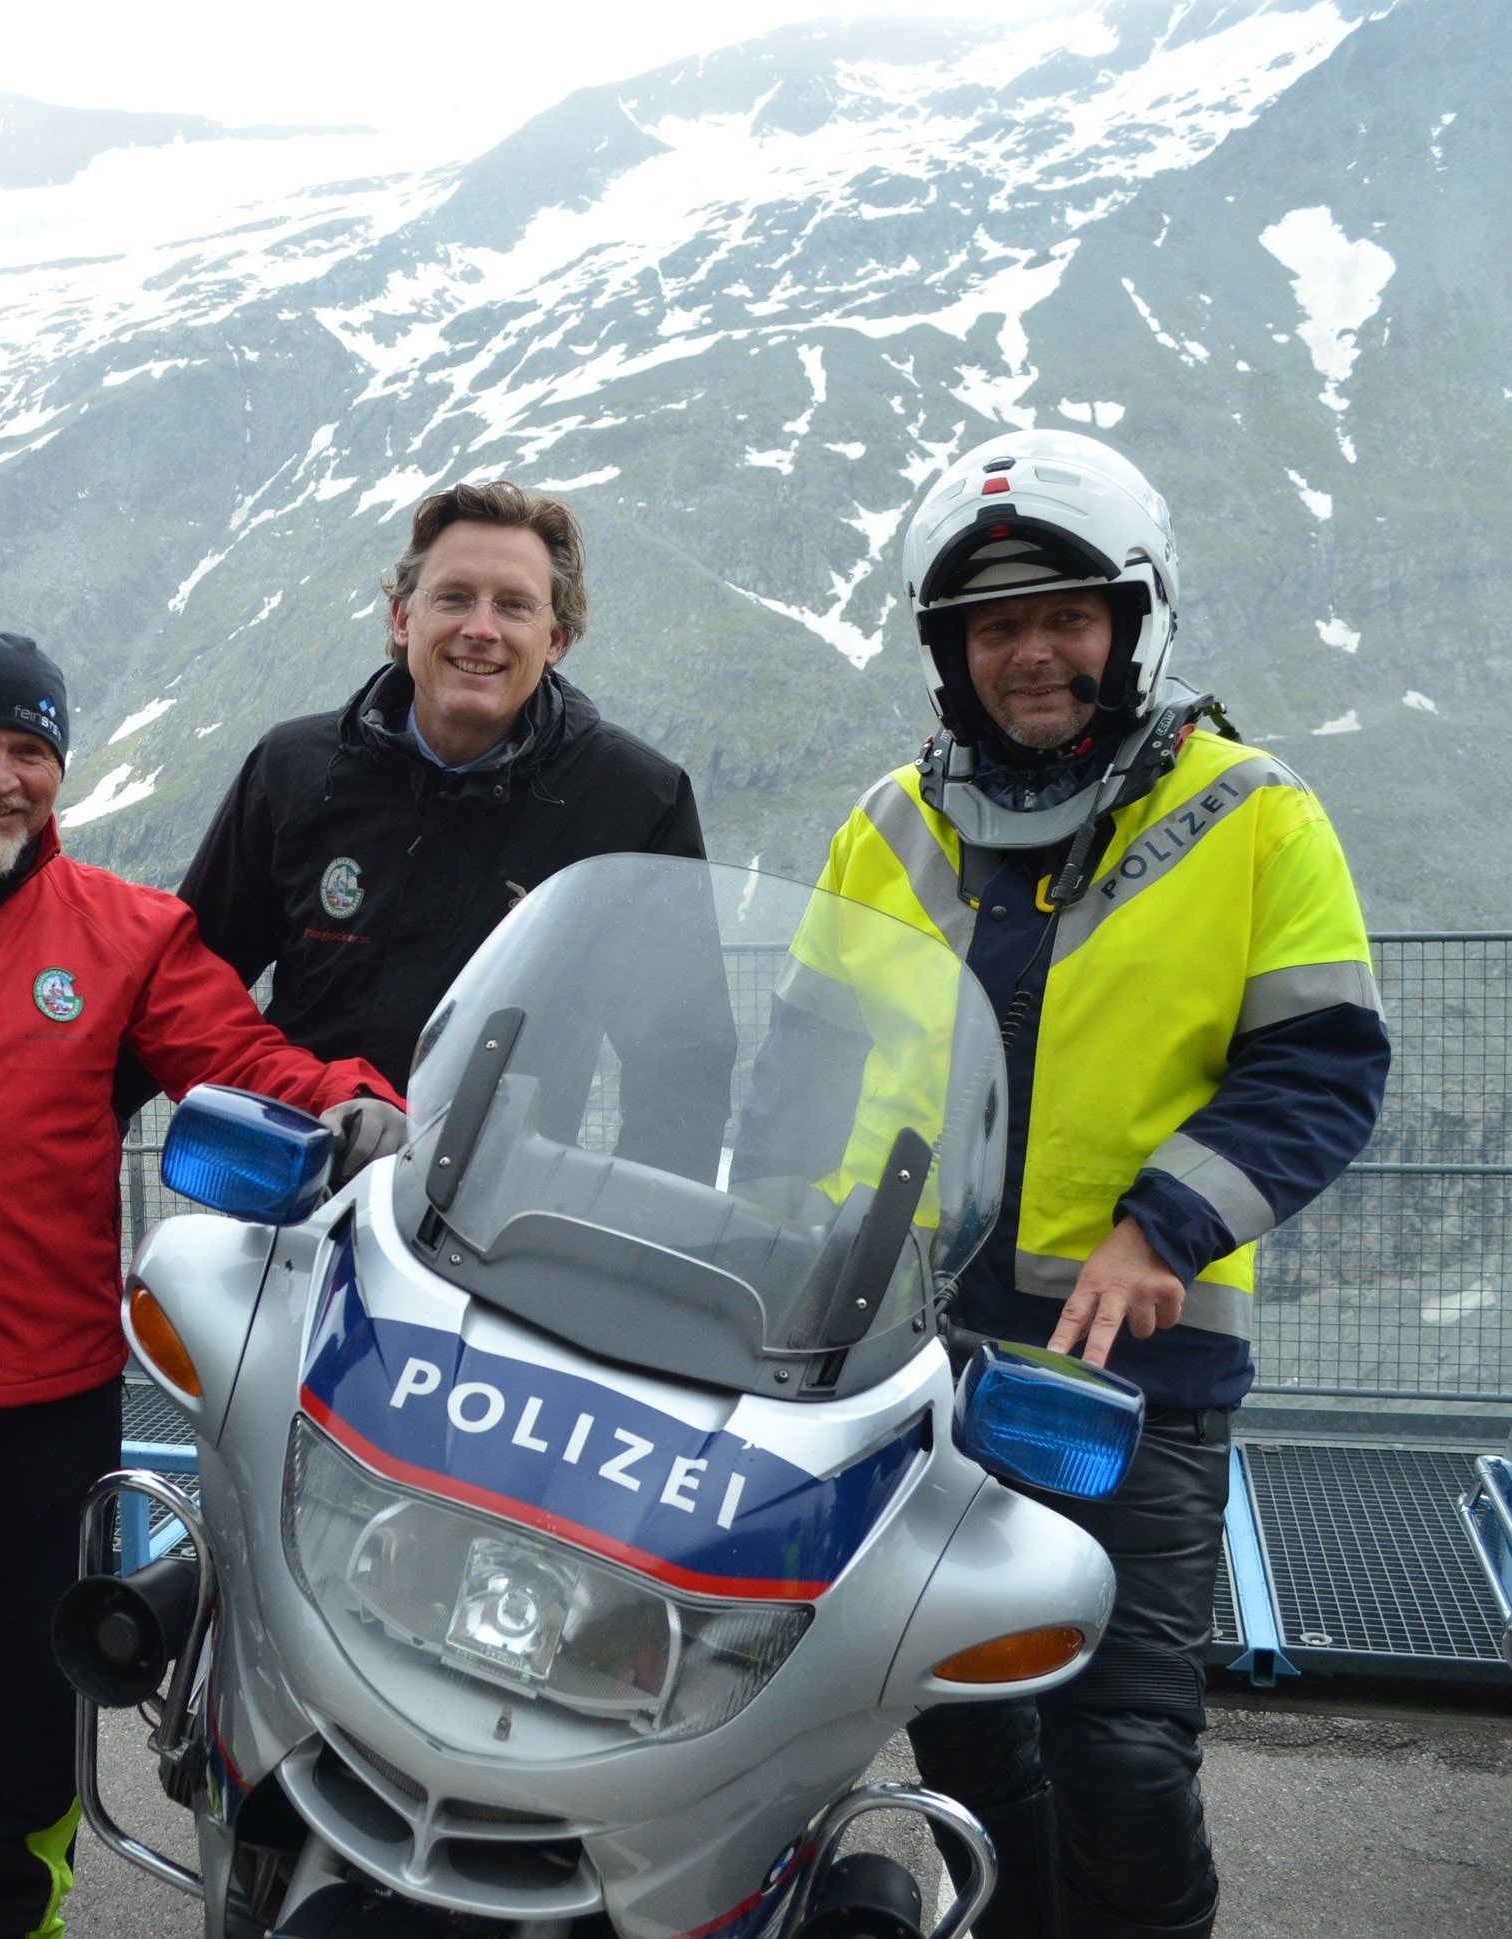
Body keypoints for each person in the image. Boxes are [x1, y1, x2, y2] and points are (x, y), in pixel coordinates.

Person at [807, 429, 1387, 1939]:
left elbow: (1321, 1058)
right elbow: (814, 1065)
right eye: (993, 625)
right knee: (970, 1735)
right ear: (951, 650)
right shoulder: (886, 825)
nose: (1032, 652)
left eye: (1065, 614)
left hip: (1136, 1373)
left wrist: (1163, 1226)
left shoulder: (1253, 812)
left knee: (1121, 1753)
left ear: (1132, 622)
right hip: (915, 1361)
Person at [0, 632, 403, 1939]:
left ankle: (18, 1911)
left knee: (40, 1693)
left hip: (52, 1390)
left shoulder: (129, 933)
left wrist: (354, 1097)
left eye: (29, 753)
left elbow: (239, 1052)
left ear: (59, 771)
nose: (0, 779)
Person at [143, 480, 719, 1172]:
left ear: (555, 640)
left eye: (513, 605)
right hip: (293, 1195)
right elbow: (188, 979)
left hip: (494, 1228)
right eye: (453, 597)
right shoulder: (293, 769)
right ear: (401, 617)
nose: (480, 627)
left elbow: (681, 1057)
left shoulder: (632, 800)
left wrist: (635, 1246)